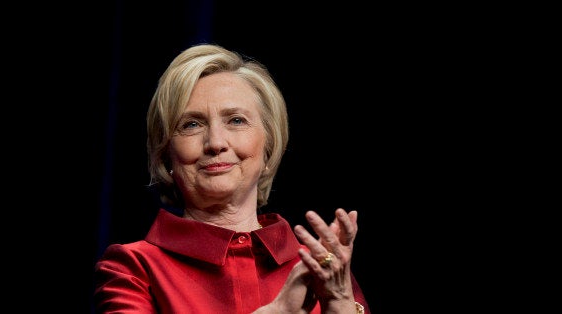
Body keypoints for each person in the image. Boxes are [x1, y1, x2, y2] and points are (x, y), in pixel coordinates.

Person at [93, 43, 370, 313]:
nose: (215, 142)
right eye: (191, 124)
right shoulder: (133, 268)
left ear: (269, 146)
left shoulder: (324, 267)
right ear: (166, 154)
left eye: (236, 120)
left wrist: (340, 302)